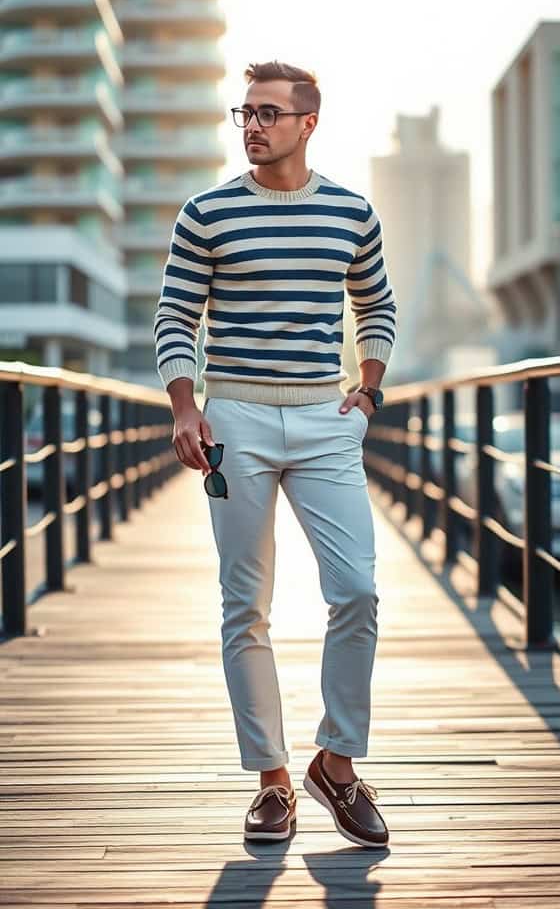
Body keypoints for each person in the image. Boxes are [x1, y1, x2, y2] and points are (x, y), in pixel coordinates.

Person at [153, 61, 397, 848]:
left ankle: (337, 762)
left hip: (326, 420)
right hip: (236, 425)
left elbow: (377, 304)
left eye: (267, 113)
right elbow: (174, 314)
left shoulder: (352, 213)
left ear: (307, 124)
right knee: (244, 605)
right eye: (244, 113)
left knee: (356, 589)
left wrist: (369, 389)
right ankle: (272, 783)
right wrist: (186, 406)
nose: (252, 126)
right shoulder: (208, 212)